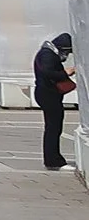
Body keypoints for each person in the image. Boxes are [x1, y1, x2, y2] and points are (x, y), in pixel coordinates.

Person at [34, 32, 74, 172]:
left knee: (53, 127)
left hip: (47, 94)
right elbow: (48, 72)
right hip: (48, 94)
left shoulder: (46, 53)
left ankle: (53, 159)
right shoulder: (47, 55)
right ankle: (54, 160)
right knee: (53, 128)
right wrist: (66, 73)